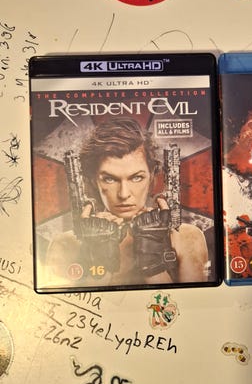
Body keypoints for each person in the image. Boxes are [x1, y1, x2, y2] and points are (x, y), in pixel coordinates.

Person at [46, 117, 209, 287]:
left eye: (136, 177)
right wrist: (98, 257)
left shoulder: (186, 237)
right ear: (94, 181)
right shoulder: (65, 244)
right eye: (109, 179)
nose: (124, 194)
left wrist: (153, 263)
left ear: (152, 176)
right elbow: (69, 303)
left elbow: (185, 301)